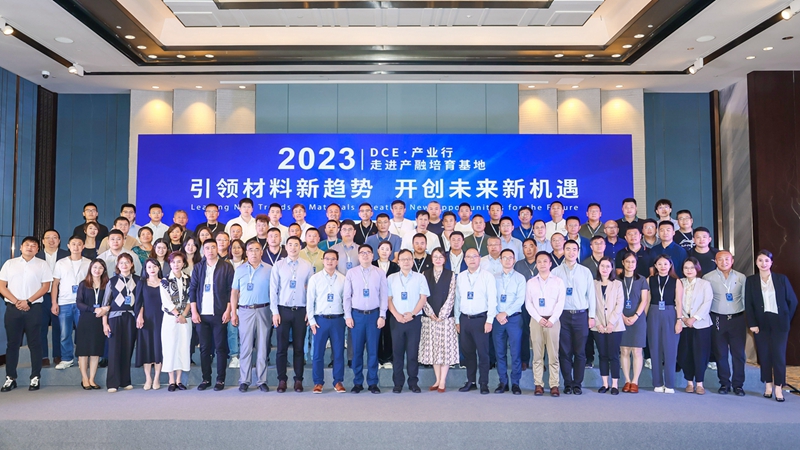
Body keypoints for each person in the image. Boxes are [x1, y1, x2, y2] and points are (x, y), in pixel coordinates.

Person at [0, 236, 53, 392]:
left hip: (34, 308)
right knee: (12, 344)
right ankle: (10, 378)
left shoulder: (42, 264)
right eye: (27, 245)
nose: (30, 247)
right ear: (21, 247)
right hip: (13, 308)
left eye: (33, 245)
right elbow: (2, 286)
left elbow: (45, 287)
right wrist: (17, 301)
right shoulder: (10, 264)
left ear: (37, 249)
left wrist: (28, 301)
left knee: (35, 343)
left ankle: (35, 377)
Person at [745, 250, 798, 402]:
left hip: (779, 322)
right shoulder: (751, 281)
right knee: (764, 355)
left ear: (771, 263)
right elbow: (748, 304)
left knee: (779, 356)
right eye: (760, 260)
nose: (763, 264)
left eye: (766, 261)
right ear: (756, 263)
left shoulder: (781, 279)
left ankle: (778, 387)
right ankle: (768, 385)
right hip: (761, 323)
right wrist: (752, 324)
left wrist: (786, 319)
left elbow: (793, 301)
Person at [189, 239, 234, 392]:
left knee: (220, 348)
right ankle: (206, 379)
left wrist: (228, 310)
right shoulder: (198, 267)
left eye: (213, 247)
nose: (210, 250)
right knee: (204, 349)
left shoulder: (226, 267)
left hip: (219, 313)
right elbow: (192, 290)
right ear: (203, 250)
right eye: (207, 248)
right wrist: (194, 311)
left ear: (217, 249)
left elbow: (231, 290)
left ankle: (220, 379)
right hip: (201, 315)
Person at [552, 240, 596, 395]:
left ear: (578, 252)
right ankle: (567, 383)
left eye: (574, 249)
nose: (571, 252)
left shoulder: (585, 271)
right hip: (562, 315)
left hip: (581, 315)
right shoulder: (555, 272)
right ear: (563, 251)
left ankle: (577, 384)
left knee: (580, 351)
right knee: (564, 351)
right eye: (568, 249)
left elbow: (591, 295)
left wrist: (592, 316)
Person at [270, 236, 314, 393]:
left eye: (296, 245)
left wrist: (309, 311)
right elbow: (273, 290)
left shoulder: (307, 265)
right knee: (281, 348)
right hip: (283, 310)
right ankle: (282, 380)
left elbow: (311, 291)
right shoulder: (278, 265)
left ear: (300, 247)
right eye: (290, 244)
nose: (293, 247)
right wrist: (275, 312)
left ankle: (298, 380)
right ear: (286, 247)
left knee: (299, 347)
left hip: (301, 310)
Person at [343, 244, 389, 394]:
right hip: (356, 316)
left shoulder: (380, 273)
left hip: (374, 316)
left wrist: (382, 315)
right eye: (362, 252)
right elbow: (346, 296)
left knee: (373, 351)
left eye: (368, 252)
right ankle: (357, 382)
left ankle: (373, 382)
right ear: (358, 256)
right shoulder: (351, 273)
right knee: (356, 351)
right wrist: (348, 316)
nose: (365, 255)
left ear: (373, 255)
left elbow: (384, 296)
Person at [702, 250, 747, 396]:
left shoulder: (741, 277)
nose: (724, 262)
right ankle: (724, 383)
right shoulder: (707, 278)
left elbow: (745, 299)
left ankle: (738, 385)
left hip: (737, 319)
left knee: (738, 354)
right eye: (720, 259)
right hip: (718, 319)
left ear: (732, 260)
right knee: (720, 354)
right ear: (715, 261)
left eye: (727, 259)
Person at [230, 239, 271, 393]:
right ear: (246, 252)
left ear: (262, 252)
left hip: (264, 310)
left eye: (257, 249)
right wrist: (233, 312)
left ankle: (261, 380)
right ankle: (244, 380)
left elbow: (274, 292)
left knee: (262, 347)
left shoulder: (269, 269)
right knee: (246, 347)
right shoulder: (240, 270)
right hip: (245, 311)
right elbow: (234, 292)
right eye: (251, 250)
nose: (254, 253)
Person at [454, 248, 497, 395]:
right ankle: (471, 381)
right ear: (465, 260)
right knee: (468, 353)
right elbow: (457, 299)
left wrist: (490, 320)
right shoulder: (460, 276)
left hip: (481, 319)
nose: (472, 259)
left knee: (483, 354)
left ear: (479, 258)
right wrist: (457, 319)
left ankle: (484, 383)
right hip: (465, 319)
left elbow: (492, 299)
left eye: (475, 256)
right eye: (468, 257)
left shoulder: (487, 276)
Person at [386, 249, 430, 393]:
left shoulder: (420, 277)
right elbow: (388, 299)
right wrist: (396, 315)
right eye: (403, 259)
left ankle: (413, 382)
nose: (406, 262)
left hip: (414, 320)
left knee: (412, 353)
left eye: (408, 259)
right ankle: (398, 383)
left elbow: (423, 298)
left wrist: (412, 314)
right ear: (398, 262)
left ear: (412, 261)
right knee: (397, 353)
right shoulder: (391, 278)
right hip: (396, 320)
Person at [525, 251, 565, 397]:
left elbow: (561, 302)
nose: (542, 264)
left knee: (553, 355)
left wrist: (552, 319)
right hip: (536, 321)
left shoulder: (558, 281)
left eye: (545, 261)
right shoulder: (531, 282)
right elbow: (528, 303)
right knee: (537, 355)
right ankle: (538, 384)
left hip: (553, 321)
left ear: (550, 264)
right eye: (539, 262)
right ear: (536, 264)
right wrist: (538, 318)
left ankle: (554, 384)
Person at [307, 250, 347, 393]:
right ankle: (318, 382)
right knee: (318, 353)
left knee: (338, 353)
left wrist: (346, 318)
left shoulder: (343, 279)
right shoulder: (315, 279)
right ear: (323, 261)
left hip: (338, 320)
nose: (330, 261)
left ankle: (338, 381)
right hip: (320, 320)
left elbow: (346, 301)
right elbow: (310, 301)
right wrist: (312, 320)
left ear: (337, 261)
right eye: (327, 259)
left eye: (333, 259)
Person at [420, 247, 459, 392]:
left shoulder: (451, 275)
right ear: (431, 258)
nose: (438, 259)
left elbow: (452, 295)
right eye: (435, 256)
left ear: (444, 259)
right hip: (429, 318)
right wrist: (430, 313)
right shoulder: (424, 274)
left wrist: (443, 314)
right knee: (434, 349)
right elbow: (422, 295)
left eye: (440, 257)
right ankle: (437, 379)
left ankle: (443, 381)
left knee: (445, 349)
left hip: (446, 319)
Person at [51, 236, 91, 369]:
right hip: (64, 302)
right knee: (64, 333)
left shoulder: (89, 263)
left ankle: (82, 358)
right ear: (68, 246)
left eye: (79, 244)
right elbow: (55, 284)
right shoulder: (60, 263)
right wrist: (54, 303)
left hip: (83, 303)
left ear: (83, 246)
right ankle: (67, 358)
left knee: (83, 332)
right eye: (73, 244)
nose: (76, 247)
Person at [101, 253, 139, 393]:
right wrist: (105, 324)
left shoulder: (138, 280)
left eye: (127, 262)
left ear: (132, 264)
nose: (124, 265)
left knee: (128, 349)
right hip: (114, 318)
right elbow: (105, 304)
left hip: (131, 318)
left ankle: (125, 381)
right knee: (114, 350)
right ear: (117, 265)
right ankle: (112, 383)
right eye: (121, 262)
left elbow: (141, 301)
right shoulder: (112, 281)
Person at [647, 254, 684, 394]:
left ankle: (669, 384)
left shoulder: (676, 281)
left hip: (670, 314)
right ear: (655, 266)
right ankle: (657, 382)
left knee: (670, 350)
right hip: (653, 313)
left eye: (665, 264)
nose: (663, 267)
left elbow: (679, 302)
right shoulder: (650, 280)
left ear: (670, 265)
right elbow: (647, 300)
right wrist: (644, 319)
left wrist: (679, 320)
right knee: (655, 348)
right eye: (660, 264)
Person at [492, 249, 526, 395]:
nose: (507, 260)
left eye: (510, 258)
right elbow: (490, 298)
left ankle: (516, 383)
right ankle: (503, 382)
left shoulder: (520, 278)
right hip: (497, 319)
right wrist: (497, 314)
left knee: (515, 352)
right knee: (499, 352)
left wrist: (505, 313)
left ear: (514, 260)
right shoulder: (493, 278)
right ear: (500, 260)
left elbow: (520, 300)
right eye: (504, 258)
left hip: (514, 319)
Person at [678, 257, 713, 395]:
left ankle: (699, 383)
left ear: (697, 269)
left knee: (700, 354)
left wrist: (694, 318)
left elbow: (707, 302)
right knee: (685, 353)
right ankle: (689, 382)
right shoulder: (679, 282)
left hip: (701, 324)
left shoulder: (705, 284)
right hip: (683, 323)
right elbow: (675, 302)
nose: (689, 270)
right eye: (686, 268)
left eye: (692, 267)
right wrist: (683, 318)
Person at [592, 257, 625, 395]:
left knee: (614, 355)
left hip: (615, 326)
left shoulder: (617, 284)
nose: (604, 269)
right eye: (602, 266)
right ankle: (605, 384)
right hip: (598, 326)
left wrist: (611, 323)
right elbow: (591, 305)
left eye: (607, 266)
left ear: (612, 268)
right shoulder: (593, 284)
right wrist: (598, 323)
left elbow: (619, 304)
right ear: (598, 268)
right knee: (603, 355)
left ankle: (615, 385)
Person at [159, 252, 192, 392]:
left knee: (183, 347)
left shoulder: (188, 279)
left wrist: (183, 315)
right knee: (170, 347)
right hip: (170, 318)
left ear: (183, 263)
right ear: (170, 264)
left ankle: (179, 380)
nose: (176, 265)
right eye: (173, 262)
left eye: (179, 262)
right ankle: (171, 380)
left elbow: (191, 298)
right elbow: (166, 301)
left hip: (185, 318)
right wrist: (178, 314)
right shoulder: (165, 281)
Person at [618, 251, 649, 393]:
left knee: (637, 351)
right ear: (623, 263)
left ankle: (635, 381)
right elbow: (614, 300)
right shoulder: (617, 279)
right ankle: (627, 380)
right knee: (624, 350)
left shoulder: (641, 280)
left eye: (633, 262)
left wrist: (636, 316)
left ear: (636, 263)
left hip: (638, 319)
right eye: (627, 261)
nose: (630, 264)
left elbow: (644, 300)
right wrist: (622, 316)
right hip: (620, 317)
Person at [36, 229, 67, 368]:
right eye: (48, 237)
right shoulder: (36, 256)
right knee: (41, 326)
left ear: (59, 241)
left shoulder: (66, 256)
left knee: (58, 326)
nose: (51, 240)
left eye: (55, 237)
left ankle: (57, 355)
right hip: (40, 296)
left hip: (60, 296)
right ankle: (43, 356)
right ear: (43, 241)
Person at [75, 259, 108, 389]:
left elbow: (110, 301)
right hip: (86, 319)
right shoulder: (84, 284)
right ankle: (84, 378)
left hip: (100, 320)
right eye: (95, 267)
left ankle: (92, 379)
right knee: (83, 351)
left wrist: (105, 309)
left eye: (100, 268)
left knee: (95, 351)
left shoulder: (107, 285)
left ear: (104, 270)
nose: (97, 270)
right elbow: (79, 303)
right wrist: (93, 309)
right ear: (90, 268)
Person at [136, 258, 164, 390]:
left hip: (161, 318)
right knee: (146, 348)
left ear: (159, 268)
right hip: (146, 319)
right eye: (149, 267)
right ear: (145, 269)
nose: (152, 269)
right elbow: (139, 302)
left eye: (154, 266)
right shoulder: (142, 283)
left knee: (159, 347)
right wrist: (139, 315)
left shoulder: (165, 282)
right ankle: (148, 378)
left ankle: (157, 378)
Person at [373, 241, 400, 368]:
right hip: (375, 304)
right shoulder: (372, 265)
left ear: (391, 252)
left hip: (391, 304)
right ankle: (378, 359)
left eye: (387, 249)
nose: (384, 251)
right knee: (376, 332)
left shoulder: (395, 267)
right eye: (382, 248)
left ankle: (389, 358)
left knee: (389, 332)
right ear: (378, 251)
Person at [514, 238, 538, 370]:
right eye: (525, 247)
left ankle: (539, 361)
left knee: (539, 333)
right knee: (524, 332)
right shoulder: (518, 265)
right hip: (523, 303)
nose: (528, 249)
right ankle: (524, 359)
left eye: (531, 246)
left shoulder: (541, 262)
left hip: (539, 305)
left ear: (536, 248)